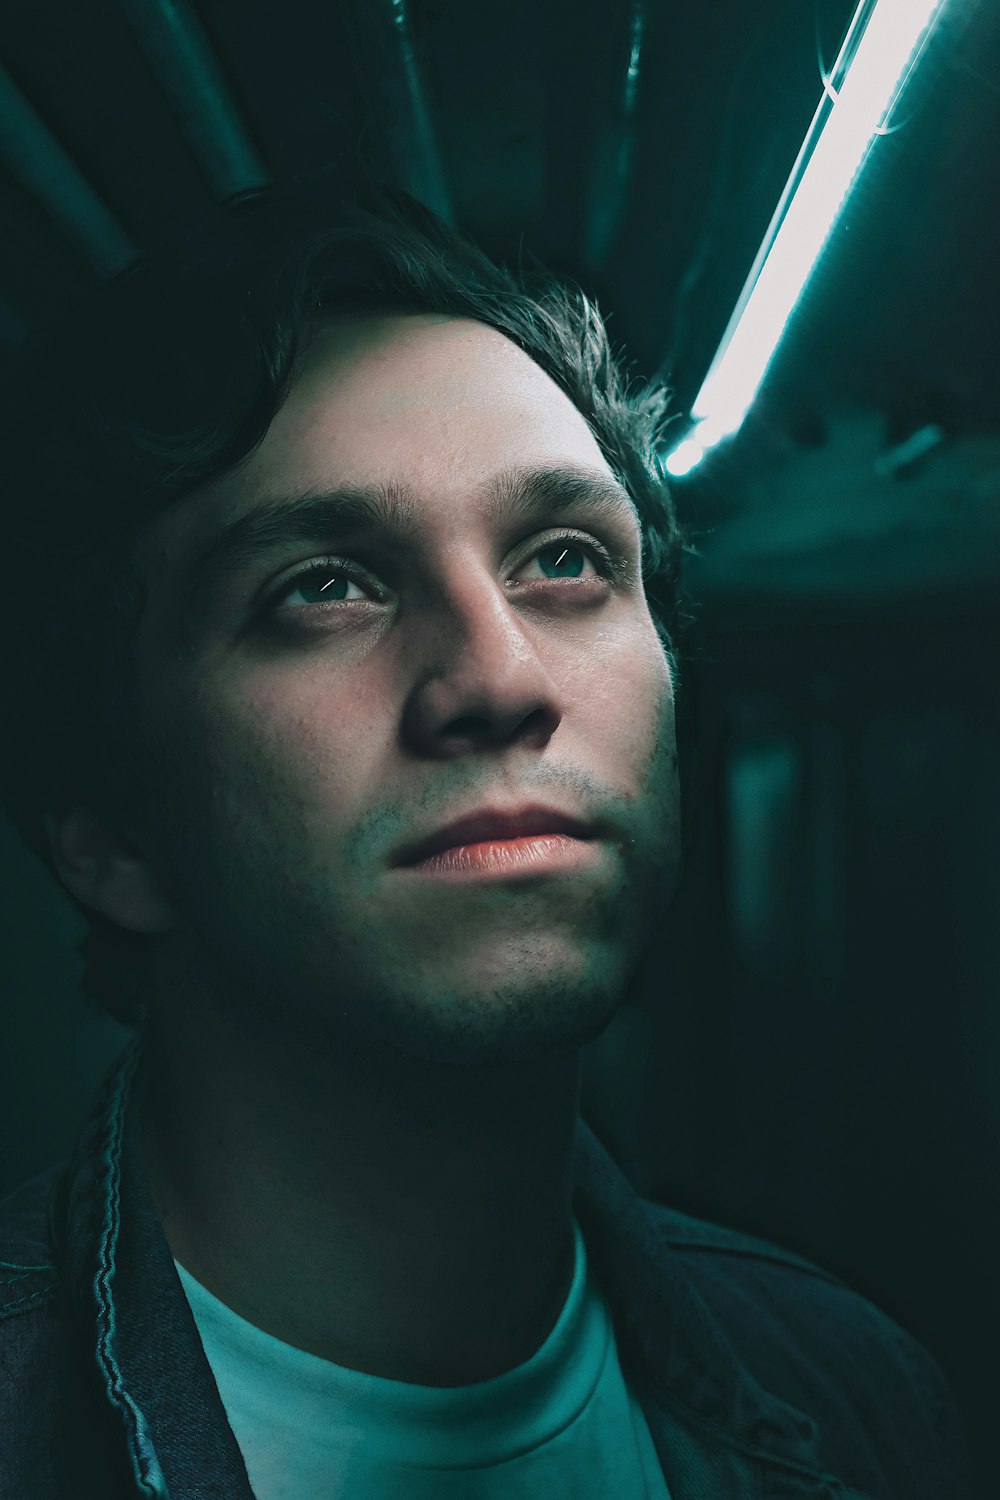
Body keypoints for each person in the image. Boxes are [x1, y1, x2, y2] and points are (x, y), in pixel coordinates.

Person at [0, 177, 971, 1500]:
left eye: (565, 560)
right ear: (108, 828)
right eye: (323, 589)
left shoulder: (857, 1396)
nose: (502, 679)